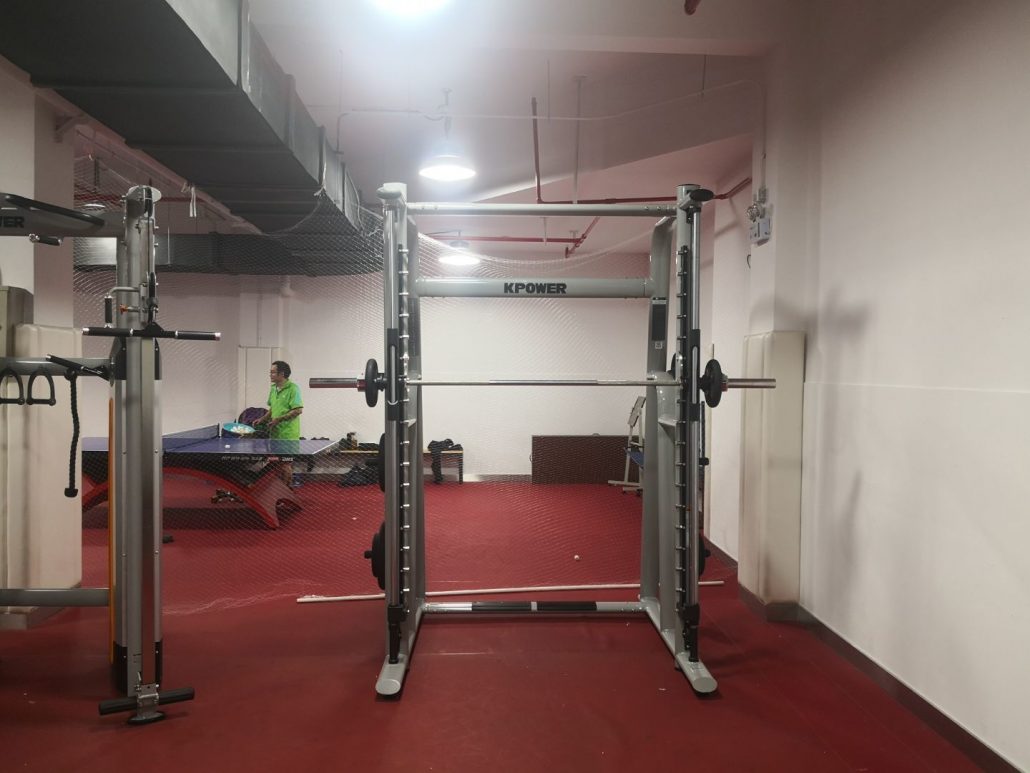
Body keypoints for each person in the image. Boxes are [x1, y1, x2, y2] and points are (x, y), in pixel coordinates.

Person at [254, 360, 304, 485]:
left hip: (288, 435)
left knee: (285, 464)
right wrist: (262, 419)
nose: (270, 375)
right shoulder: (273, 388)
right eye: (270, 372)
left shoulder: (293, 389)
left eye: (273, 372)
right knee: (276, 464)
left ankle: (286, 491)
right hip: (275, 434)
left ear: (281, 374)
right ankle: (279, 489)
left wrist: (279, 419)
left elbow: (298, 410)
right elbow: (273, 408)